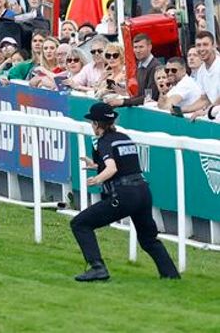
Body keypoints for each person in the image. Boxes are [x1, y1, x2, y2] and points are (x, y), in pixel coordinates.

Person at [70, 103, 180, 281]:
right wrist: (97, 166)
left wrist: (97, 178)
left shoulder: (104, 141)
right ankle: (171, 276)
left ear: (97, 124)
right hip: (143, 192)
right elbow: (124, 166)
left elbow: (112, 169)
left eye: (92, 123)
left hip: (125, 195)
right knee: (148, 239)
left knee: (80, 224)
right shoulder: (124, 137)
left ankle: (98, 268)